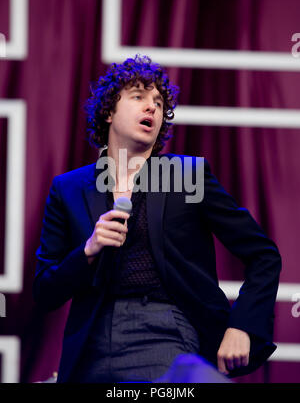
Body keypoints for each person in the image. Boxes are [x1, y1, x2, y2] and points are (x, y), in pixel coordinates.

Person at [33, 55, 281, 383]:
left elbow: (263, 255)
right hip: (91, 342)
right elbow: (45, 291)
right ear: (108, 111)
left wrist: (243, 325)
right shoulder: (68, 188)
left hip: (166, 334)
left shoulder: (186, 175)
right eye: (138, 96)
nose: (152, 107)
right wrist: (87, 251)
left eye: (159, 102)